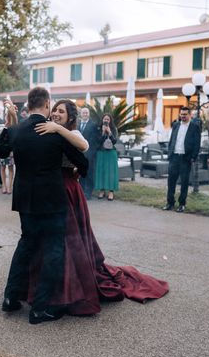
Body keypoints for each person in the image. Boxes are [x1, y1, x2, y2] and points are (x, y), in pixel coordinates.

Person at [32, 99, 169, 316]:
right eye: (55, 110)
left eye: (61, 112)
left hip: (68, 190)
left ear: (70, 117)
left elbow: (83, 146)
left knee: (69, 238)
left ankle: (69, 287)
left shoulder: (72, 133)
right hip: (50, 190)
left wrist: (57, 128)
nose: (56, 114)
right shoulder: (46, 131)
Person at [0, 87, 88, 324]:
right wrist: (78, 171)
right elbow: (83, 161)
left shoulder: (17, 129)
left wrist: (9, 124)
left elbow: (0, 151)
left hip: (25, 198)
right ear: (47, 104)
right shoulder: (54, 132)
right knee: (54, 251)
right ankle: (39, 308)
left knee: (26, 245)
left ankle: (10, 298)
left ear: (28, 104)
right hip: (52, 200)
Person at [162, 106, 201, 212]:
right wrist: (169, 154)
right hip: (174, 157)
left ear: (190, 115)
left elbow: (197, 144)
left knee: (184, 182)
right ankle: (170, 203)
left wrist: (193, 157)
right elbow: (172, 140)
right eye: (182, 114)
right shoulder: (175, 125)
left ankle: (182, 204)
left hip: (185, 158)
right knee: (171, 181)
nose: (183, 116)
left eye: (185, 114)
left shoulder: (195, 127)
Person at [94, 114, 119, 201]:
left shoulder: (114, 129)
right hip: (101, 152)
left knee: (111, 172)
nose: (106, 121)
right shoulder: (98, 129)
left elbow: (115, 141)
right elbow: (97, 141)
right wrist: (103, 132)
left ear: (110, 121)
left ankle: (111, 192)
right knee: (101, 171)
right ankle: (102, 190)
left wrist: (110, 132)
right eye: (105, 119)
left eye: (108, 119)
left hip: (111, 153)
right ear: (102, 120)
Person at [78, 107, 100, 200]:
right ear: (81, 114)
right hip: (79, 153)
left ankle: (88, 192)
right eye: (83, 113)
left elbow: (94, 140)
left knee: (90, 173)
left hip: (89, 153)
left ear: (89, 114)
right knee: (81, 172)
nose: (85, 114)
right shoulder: (77, 125)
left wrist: (89, 152)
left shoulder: (93, 125)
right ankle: (81, 191)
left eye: (86, 113)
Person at [0, 112, 14, 194]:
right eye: (7, 116)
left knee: (10, 169)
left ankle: (10, 186)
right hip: (2, 150)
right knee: (2, 168)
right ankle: (4, 186)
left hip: (11, 152)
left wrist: (13, 151)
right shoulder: (0, 126)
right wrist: (5, 127)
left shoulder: (15, 127)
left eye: (10, 117)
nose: (8, 118)